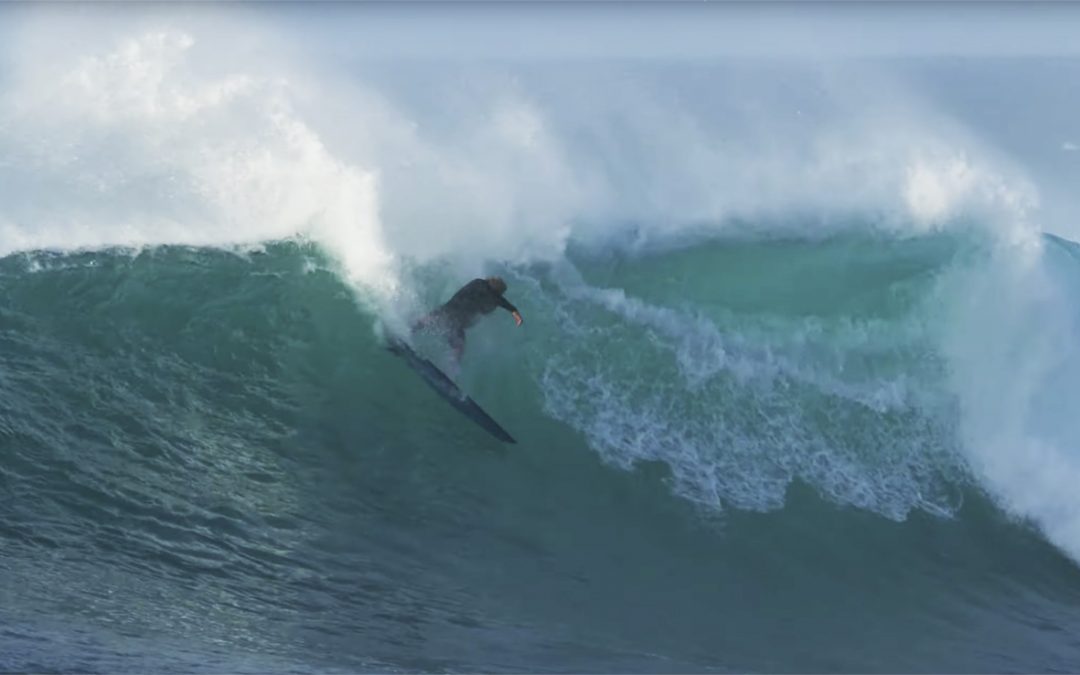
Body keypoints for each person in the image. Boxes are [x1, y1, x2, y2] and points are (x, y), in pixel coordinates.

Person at [411, 276, 523, 364]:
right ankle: (406, 331)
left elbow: (502, 302)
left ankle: (450, 371)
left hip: (452, 318)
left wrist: (514, 312)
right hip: (451, 316)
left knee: (458, 347)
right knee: (457, 346)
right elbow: (499, 300)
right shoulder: (481, 285)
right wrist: (514, 311)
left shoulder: (484, 290)